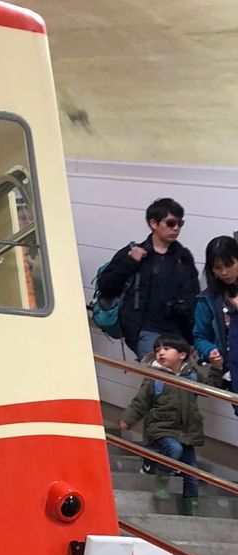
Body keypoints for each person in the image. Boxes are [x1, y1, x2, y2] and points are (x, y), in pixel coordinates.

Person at [96, 197, 197, 359]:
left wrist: (192, 338)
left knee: (175, 381)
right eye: (171, 223)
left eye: (180, 224)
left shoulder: (183, 258)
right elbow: (106, 286)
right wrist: (130, 262)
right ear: (154, 224)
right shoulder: (134, 253)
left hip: (178, 333)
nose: (176, 228)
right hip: (145, 330)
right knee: (159, 375)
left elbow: (193, 298)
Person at [119, 334, 207, 512]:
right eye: (157, 350)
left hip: (186, 431)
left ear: (182, 355)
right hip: (160, 427)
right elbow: (141, 401)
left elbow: (209, 387)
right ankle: (162, 478)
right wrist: (128, 419)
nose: (160, 353)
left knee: (192, 472)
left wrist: (217, 369)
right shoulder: (155, 376)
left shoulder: (192, 375)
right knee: (174, 449)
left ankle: (191, 507)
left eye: (166, 349)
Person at [193, 235, 238, 383]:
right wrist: (210, 352)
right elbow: (200, 337)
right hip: (233, 370)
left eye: (229, 264)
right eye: (218, 268)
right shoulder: (207, 299)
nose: (224, 272)